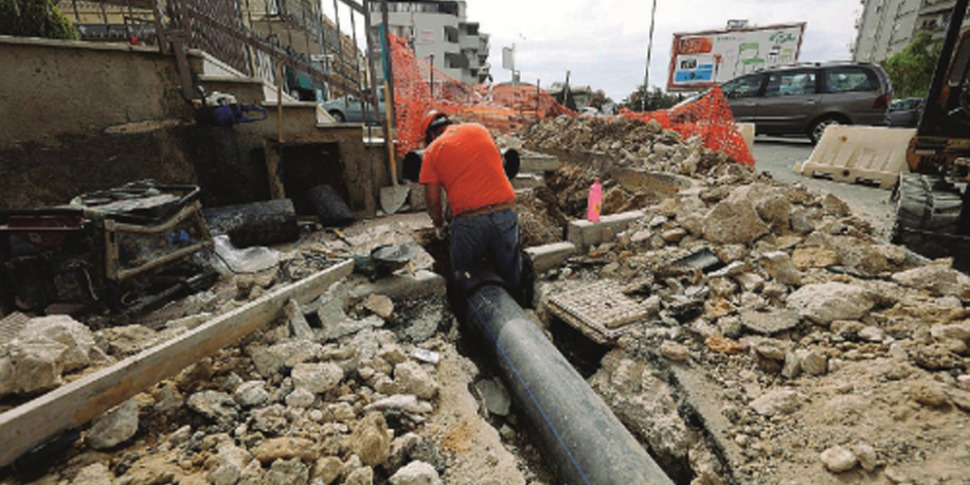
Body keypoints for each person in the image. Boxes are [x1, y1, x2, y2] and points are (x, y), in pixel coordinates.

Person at [418, 110, 521, 294]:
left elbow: (433, 200)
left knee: (467, 278)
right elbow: (499, 163)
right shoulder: (479, 129)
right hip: (506, 210)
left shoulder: (432, 150)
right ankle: (518, 308)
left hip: (469, 220)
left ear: (431, 134)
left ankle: (469, 318)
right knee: (509, 271)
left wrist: (439, 224)